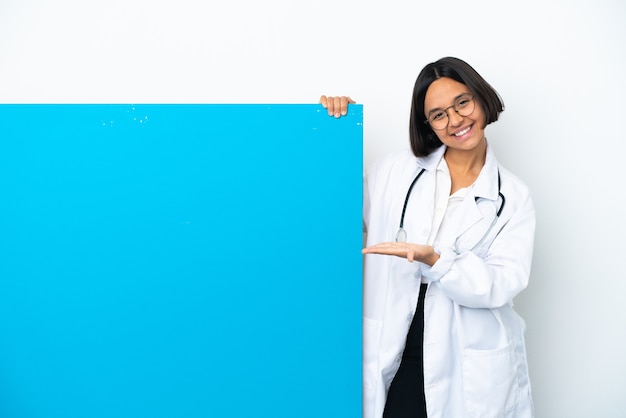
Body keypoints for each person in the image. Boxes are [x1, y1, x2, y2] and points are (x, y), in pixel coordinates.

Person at [320, 57, 535, 418]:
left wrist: (436, 261)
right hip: (394, 347)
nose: (455, 121)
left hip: (465, 360)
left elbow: (502, 282)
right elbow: (334, 218)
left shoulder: (511, 196)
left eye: (462, 103)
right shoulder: (393, 171)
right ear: (428, 124)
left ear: (480, 99)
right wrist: (332, 136)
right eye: (438, 114)